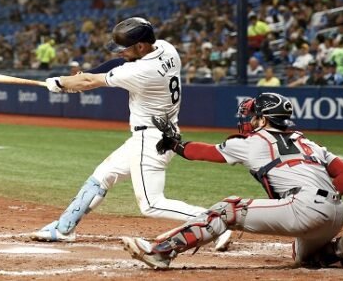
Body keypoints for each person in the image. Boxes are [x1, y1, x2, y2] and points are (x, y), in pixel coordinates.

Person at [32, 17, 232, 252]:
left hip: (151, 140)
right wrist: (75, 79)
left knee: (151, 204)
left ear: (141, 47)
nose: (121, 52)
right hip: (155, 135)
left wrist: (61, 83)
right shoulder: (167, 48)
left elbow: (90, 82)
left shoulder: (143, 71)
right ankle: (64, 228)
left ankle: (213, 220)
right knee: (102, 176)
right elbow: (112, 66)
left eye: (125, 48)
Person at [122, 93, 343, 270]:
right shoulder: (306, 142)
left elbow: (201, 152)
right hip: (335, 214)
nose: (250, 120)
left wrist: (175, 144)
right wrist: (325, 202)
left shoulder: (254, 141)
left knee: (226, 209)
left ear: (264, 120)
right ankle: (342, 247)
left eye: (254, 116)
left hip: (305, 208)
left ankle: (161, 252)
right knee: (305, 258)